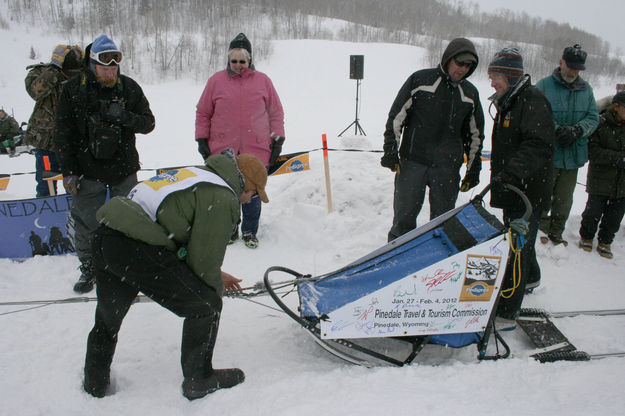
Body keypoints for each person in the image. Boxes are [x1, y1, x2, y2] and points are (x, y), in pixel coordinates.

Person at [83, 150, 263, 400]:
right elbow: (202, 263)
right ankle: (199, 380)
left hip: (108, 237)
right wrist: (213, 290)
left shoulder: (198, 176)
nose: (248, 201)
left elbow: (176, 228)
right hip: (136, 248)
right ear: (247, 184)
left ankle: (94, 382)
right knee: (205, 306)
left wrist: (217, 273)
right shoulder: (222, 198)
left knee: (108, 317)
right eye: (253, 195)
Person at [54, 34, 155, 293]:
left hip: (123, 168)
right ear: (92, 63)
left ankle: (127, 268)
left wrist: (125, 116)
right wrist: (69, 172)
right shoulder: (73, 90)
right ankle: (89, 267)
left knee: (129, 221)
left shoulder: (129, 88)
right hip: (87, 169)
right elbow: (63, 133)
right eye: (104, 65)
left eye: (114, 65)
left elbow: (148, 123)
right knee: (87, 222)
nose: (110, 71)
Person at [381, 37, 485, 242]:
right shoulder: (420, 80)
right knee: (404, 219)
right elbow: (396, 117)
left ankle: (436, 263)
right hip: (413, 163)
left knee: (443, 223)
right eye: (460, 63)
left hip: (447, 168)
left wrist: (474, 169)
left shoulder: (470, 93)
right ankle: (396, 256)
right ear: (448, 59)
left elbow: (476, 136)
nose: (463, 69)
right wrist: (390, 150)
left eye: (468, 66)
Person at [195, 32, 284, 249]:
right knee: (228, 193)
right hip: (223, 150)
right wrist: (202, 139)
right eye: (233, 61)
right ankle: (231, 228)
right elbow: (203, 112)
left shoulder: (263, 81)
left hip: (257, 150)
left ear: (250, 60)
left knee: (252, 194)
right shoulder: (216, 81)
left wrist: (278, 139)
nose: (238, 65)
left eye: (242, 61)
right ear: (228, 60)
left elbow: (276, 112)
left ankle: (250, 231)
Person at [487, 47, 555, 326]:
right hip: (514, 187)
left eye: (496, 77)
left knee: (517, 246)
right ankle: (532, 277)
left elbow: (538, 144)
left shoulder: (532, 100)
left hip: (527, 190)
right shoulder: (511, 100)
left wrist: (512, 173)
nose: (491, 83)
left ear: (512, 77)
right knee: (520, 241)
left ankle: (507, 310)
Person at [536, 44, 599, 249]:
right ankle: (541, 229)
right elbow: (536, 114)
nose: (573, 71)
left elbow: (593, 117)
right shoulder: (544, 86)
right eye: (570, 66)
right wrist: (556, 130)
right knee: (544, 193)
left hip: (573, 156)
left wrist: (578, 130)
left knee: (565, 197)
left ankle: (557, 231)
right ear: (560, 62)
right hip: (548, 153)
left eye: (577, 68)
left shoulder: (586, 89)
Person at [24, 44, 84, 197]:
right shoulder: (41, 73)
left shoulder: (81, 77)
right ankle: (46, 218)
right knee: (45, 186)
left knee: (75, 186)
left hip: (72, 142)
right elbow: (36, 92)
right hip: (46, 142)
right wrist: (54, 70)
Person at [578, 91, 625, 259]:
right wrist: (618, 158)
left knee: (615, 216)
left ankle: (606, 241)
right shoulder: (601, 123)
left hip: (622, 183)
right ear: (616, 106)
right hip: (600, 179)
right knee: (593, 212)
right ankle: (586, 237)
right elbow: (593, 151)